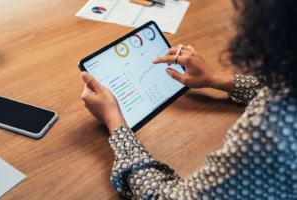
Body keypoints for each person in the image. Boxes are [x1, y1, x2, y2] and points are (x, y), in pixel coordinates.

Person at [81, 0, 297, 199]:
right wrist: (216, 78)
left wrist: (114, 121)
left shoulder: (271, 127)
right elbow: (278, 86)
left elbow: (169, 197)